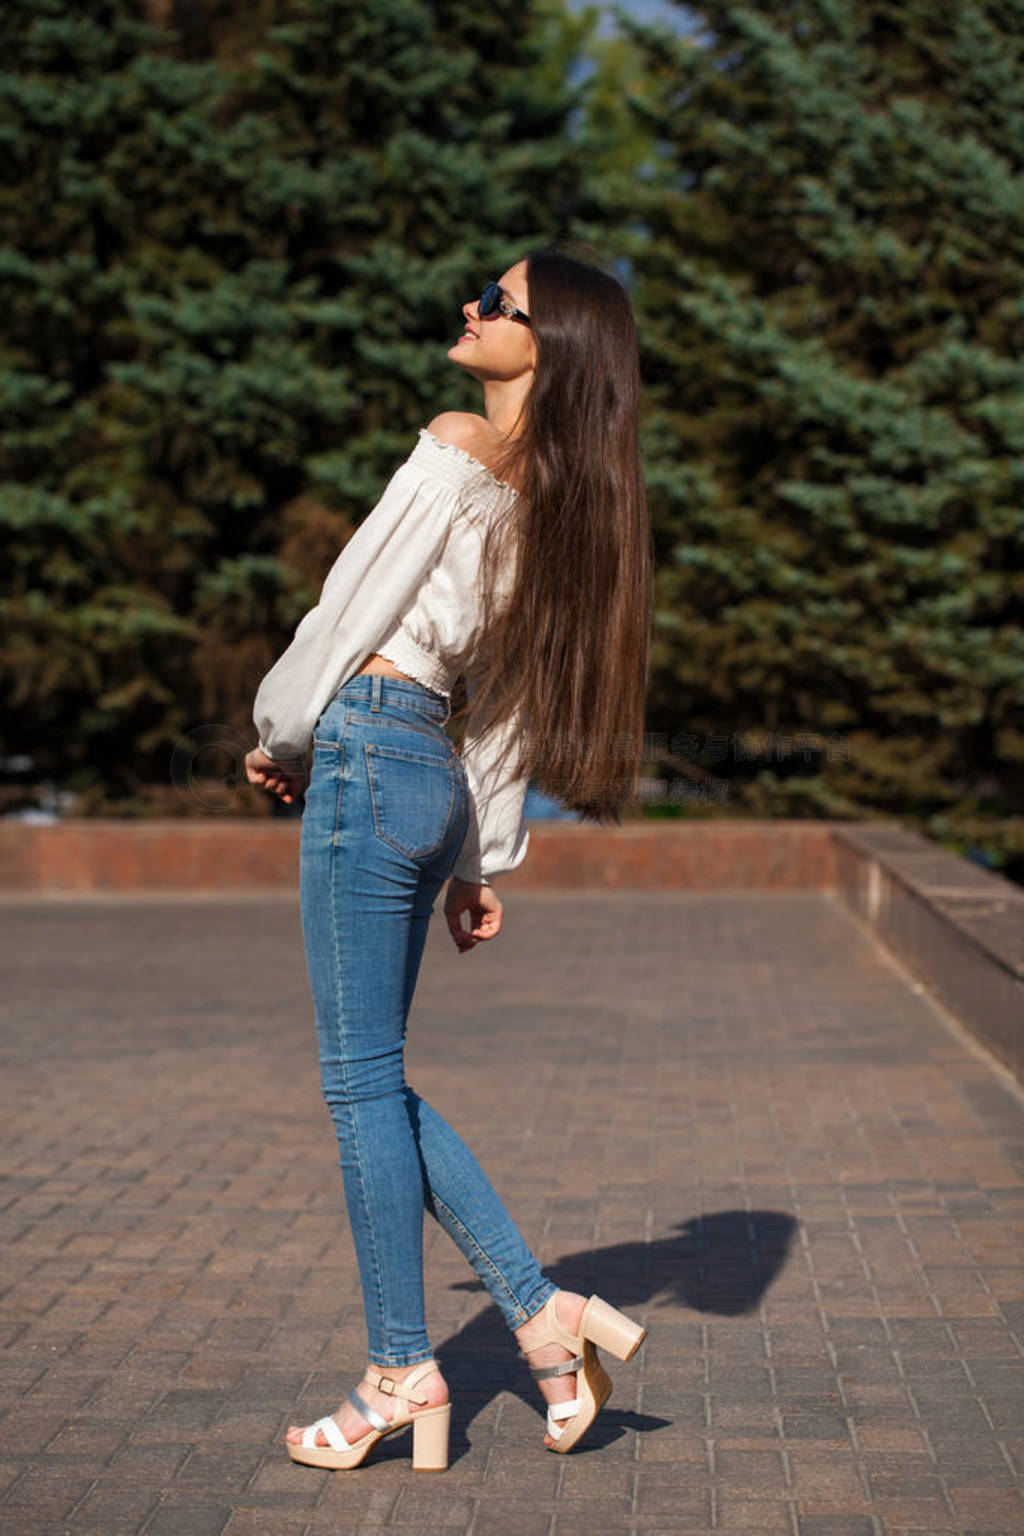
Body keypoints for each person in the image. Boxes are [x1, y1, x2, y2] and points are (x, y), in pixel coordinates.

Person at [245, 245, 654, 1472]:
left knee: (359, 1083)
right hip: (429, 782)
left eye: (499, 301)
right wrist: (484, 857)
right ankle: (541, 1315)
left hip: (370, 750)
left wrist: (280, 726)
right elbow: (507, 710)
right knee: (374, 1078)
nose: (470, 307)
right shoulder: (558, 509)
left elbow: (350, 601)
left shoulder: (453, 446)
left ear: (548, 345)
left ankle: (398, 1371)